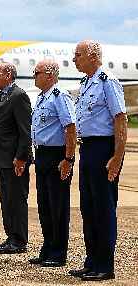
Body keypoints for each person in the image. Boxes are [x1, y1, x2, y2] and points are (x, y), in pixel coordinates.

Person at [68, 40, 127, 281]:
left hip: (104, 150)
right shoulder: (86, 83)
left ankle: (105, 266)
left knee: (103, 208)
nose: (74, 59)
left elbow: (120, 120)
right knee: (89, 208)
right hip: (89, 149)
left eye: (78, 55)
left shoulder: (108, 82)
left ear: (93, 56)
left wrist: (117, 158)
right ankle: (91, 261)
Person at [28, 60, 76, 267]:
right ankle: (47, 248)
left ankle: (58, 253)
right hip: (42, 154)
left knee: (58, 205)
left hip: (57, 155)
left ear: (49, 75)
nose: (34, 76)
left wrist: (69, 158)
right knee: (44, 205)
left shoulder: (60, 96)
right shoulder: (41, 98)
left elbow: (70, 128)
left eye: (36, 73)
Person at [0, 62, 32, 254]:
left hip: (14, 160)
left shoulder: (18, 96)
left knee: (16, 200)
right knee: (7, 200)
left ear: (8, 74)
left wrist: (21, 157)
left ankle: (19, 240)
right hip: (2, 158)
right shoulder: (3, 94)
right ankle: (11, 237)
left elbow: (25, 131)